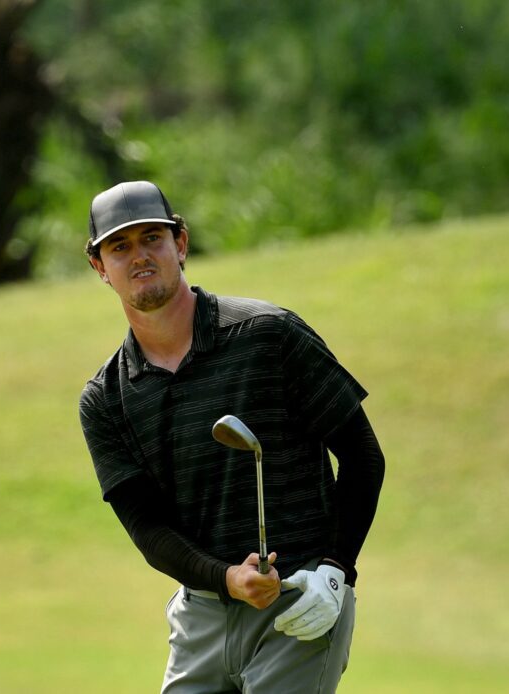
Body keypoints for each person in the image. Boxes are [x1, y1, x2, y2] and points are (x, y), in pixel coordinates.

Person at [78, 180, 385, 693]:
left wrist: (336, 570)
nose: (140, 257)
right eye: (120, 246)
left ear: (181, 243)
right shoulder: (106, 398)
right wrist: (225, 579)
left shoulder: (269, 334)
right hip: (200, 617)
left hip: (298, 598)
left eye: (152, 237)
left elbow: (362, 456)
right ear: (99, 268)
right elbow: (148, 529)